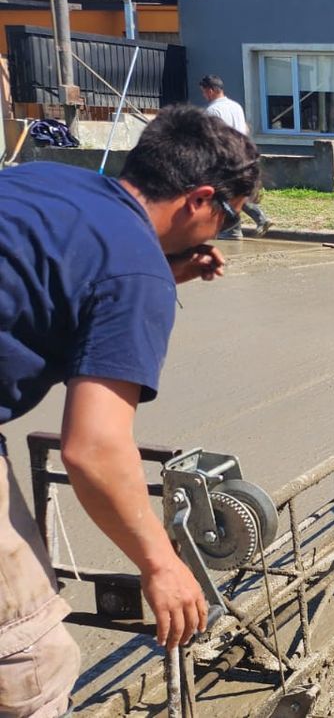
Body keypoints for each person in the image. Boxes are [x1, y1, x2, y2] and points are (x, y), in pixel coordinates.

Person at [0, 104, 259, 717]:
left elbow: (57, 277)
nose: (220, 236)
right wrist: (159, 564)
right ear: (199, 199)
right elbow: (92, 450)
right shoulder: (133, 271)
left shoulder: (48, 180)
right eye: (226, 221)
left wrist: (158, 271)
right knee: (29, 659)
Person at [199, 74, 272, 239]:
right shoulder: (235, 106)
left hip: (224, 157)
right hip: (242, 153)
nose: (204, 95)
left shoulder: (212, 110)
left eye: (204, 92)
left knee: (222, 193)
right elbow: (244, 129)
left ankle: (232, 230)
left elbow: (213, 137)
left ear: (210, 91)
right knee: (237, 191)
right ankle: (260, 218)